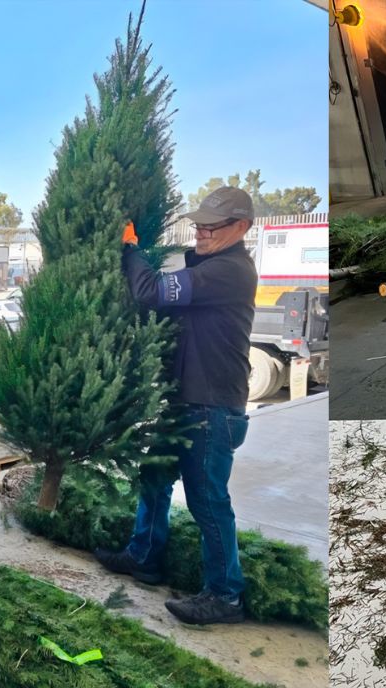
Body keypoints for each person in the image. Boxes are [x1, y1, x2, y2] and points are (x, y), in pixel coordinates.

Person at [94, 186, 258, 625]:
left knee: (208, 502)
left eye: (211, 227)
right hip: (185, 400)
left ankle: (226, 596)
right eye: (198, 225)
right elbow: (180, 271)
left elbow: (150, 292)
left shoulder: (230, 271)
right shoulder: (210, 263)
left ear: (240, 228)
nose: (200, 233)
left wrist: (131, 249)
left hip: (212, 408)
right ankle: (144, 556)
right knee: (154, 476)